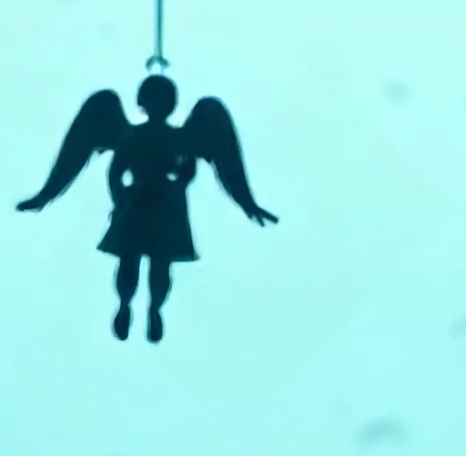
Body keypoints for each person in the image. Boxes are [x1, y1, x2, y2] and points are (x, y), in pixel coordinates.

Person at [18, 74, 276, 340]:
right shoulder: (143, 136)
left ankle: (150, 308)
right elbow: (126, 172)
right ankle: (129, 305)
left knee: (152, 263)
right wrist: (137, 196)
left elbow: (137, 172)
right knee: (141, 262)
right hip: (155, 205)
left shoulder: (144, 136)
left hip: (149, 203)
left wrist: (125, 198)